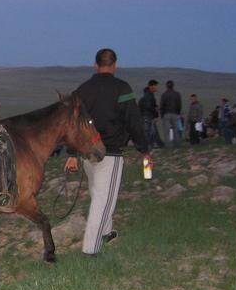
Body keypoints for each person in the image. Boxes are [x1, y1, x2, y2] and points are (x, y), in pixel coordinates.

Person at [64, 48, 151, 256]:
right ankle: (91, 251)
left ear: (95, 65)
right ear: (115, 65)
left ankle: (106, 233)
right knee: (103, 201)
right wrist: (144, 149)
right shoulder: (122, 88)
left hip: (87, 154)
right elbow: (134, 121)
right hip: (110, 153)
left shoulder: (82, 90)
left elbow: (72, 124)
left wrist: (71, 153)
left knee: (98, 194)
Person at [138, 79, 164, 149]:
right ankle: (148, 146)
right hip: (147, 116)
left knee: (151, 131)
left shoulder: (149, 95)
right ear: (151, 86)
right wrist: (155, 110)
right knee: (149, 132)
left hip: (147, 116)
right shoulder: (148, 96)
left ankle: (154, 145)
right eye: (155, 86)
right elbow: (149, 106)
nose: (156, 88)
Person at [160, 80, 182, 146]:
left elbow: (162, 105)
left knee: (167, 131)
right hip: (175, 113)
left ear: (166, 86)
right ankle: (177, 144)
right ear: (173, 85)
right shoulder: (177, 94)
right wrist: (178, 112)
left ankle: (168, 145)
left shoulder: (164, 94)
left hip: (166, 114)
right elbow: (179, 104)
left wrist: (162, 115)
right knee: (176, 130)